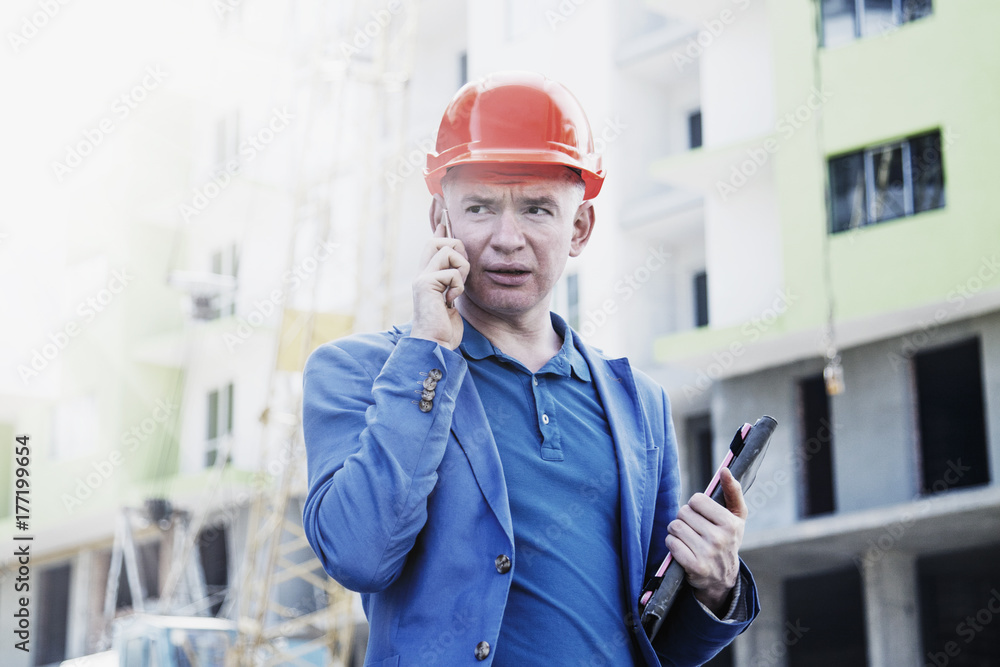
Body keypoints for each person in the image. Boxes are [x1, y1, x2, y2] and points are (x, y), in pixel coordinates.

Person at [302, 71, 759, 666]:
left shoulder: (637, 403)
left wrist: (714, 585)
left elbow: (657, 641)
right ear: (441, 223)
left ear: (580, 228)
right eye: (481, 207)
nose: (507, 238)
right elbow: (360, 554)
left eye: (538, 209)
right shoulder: (360, 372)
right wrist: (428, 355)